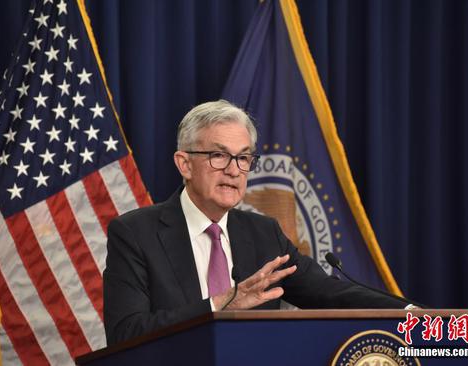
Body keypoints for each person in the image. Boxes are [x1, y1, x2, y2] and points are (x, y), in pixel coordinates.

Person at [103, 100, 408, 345]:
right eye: (218, 156)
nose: (234, 171)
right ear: (185, 164)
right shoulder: (135, 233)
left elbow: (327, 292)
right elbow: (126, 332)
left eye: (244, 158)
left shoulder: (263, 233)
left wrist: (410, 313)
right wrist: (219, 304)